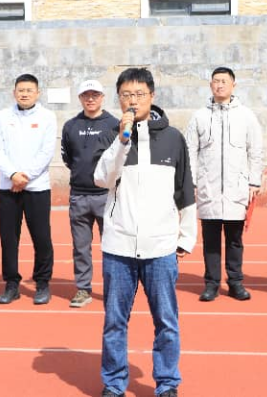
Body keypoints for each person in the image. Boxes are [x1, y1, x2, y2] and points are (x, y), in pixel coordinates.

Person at [94, 67, 196, 397]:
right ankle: (114, 383)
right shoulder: (112, 134)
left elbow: (185, 190)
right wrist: (122, 140)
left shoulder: (173, 138)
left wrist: (186, 237)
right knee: (114, 321)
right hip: (119, 247)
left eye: (139, 94)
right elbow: (102, 178)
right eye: (126, 95)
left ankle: (167, 383)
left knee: (166, 321)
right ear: (118, 98)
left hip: (160, 248)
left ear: (152, 96)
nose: (133, 100)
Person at [185, 67, 264, 302]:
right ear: (210, 85)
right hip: (208, 187)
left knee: (234, 240)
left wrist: (254, 181)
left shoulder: (246, 116)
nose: (219, 85)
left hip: (236, 188)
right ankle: (211, 284)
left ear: (233, 85)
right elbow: (190, 151)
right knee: (210, 241)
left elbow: (255, 151)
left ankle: (236, 282)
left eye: (224, 81)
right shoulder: (199, 116)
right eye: (216, 81)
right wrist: (191, 182)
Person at [0, 74, 57, 305]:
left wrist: (25, 176)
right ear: (14, 93)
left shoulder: (47, 117)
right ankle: (11, 284)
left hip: (37, 187)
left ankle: (42, 283)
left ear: (38, 93)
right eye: (21, 90)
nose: (25, 94)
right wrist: (13, 175)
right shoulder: (2, 117)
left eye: (29, 90)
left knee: (41, 237)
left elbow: (47, 152)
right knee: (9, 238)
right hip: (8, 187)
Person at [61, 78, 119, 308]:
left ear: (102, 97)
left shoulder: (114, 124)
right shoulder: (71, 126)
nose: (91, 99)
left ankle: (113, 289)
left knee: (112, 246)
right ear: (80, 98)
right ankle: (83, 288)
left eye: (95, 95)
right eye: (86, 95)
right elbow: (68, 157)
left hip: (106, 195)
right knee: (81, 247)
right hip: (79, 196)